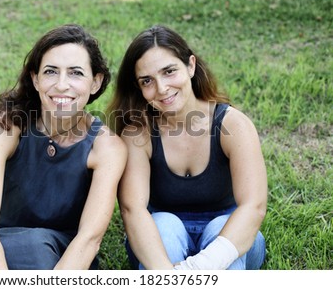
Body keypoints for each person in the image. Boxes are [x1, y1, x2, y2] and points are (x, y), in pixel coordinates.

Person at [0, 24, 127, 269]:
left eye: (76, 73)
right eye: (51, 72)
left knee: (37, 249)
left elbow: (89, 239)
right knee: (32, 248)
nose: (62, 85)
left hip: (65, 259)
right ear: (35, 79)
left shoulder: (107, 148)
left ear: (95, 82)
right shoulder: (5, 127)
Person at [107, 25, 267, 270]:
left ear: (190, 66)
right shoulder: (138, 133)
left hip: (231, 237)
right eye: (147, 81)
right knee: (163, 224)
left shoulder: (233, 125)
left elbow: (253, 207)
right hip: (160, 245)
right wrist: (167, 275)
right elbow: (132, 210)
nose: (161, 89)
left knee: (219, 227)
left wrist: (198, 268)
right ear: (139, 87)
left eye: (169, 71)